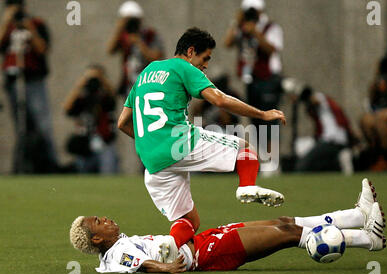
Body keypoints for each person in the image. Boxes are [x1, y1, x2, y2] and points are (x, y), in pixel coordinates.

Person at [117, 27, 286, 238]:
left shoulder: (146, 73)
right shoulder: (183, 68)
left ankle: (167, 254)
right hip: (178, 144)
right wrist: (262, 114)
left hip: (151, 163)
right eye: (205, 58)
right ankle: (246, 186)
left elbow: (123, 122)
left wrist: (152, 140)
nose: (205, 65)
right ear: (190, 51)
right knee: (245, 149)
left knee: (189, 221)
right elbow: (220, 100)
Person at [69, 178, 386, 274]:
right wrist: (165, 269)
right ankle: (367, 239)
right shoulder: (114, 256)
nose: (106, 218)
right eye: (99, 221)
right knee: (288, 235)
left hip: (202, 241)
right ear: (96, 238)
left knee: (283, 222)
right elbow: (140, 265)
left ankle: (357, 215)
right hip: (205, 254)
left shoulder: (112, 250)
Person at [0, 0, 58, 173]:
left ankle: (51, 164)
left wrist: (29, 29)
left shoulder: (36, 23)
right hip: (13, 80)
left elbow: (42, 49)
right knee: (21, 125)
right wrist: (6, 21)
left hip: (33, 79)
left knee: (43, 123)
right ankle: (23, 165)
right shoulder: (7, 27)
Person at [224, 0, 284, 154]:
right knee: (255, 119)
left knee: (270, 121)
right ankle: (263, 158)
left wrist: (256, 32)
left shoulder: (271, 27)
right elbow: (227, 42)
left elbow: (272, 50)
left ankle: (273, 159)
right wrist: (236, 23)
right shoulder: (241, 28)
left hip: (268, 79)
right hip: (251, 79)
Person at [63, 65, 119, 174]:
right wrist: (82, 82)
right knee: (83, 177)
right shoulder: (82, 97)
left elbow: (114, 96)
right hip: (84, 145)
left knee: (108, 176)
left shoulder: (105, 96)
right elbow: (67, 108)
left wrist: (101, 78)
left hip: (105, 143)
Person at [107, 1, 165, 97]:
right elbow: (110, 50)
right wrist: (120, 27)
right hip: (129, 86)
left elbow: (157, 57)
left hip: (149, 84)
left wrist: (139, 43)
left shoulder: (150, 35)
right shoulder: (123, 37)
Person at [295, 86, 357, 172]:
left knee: (302, 165)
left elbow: (315, 100)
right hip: (333, 140)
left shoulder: (320, 98)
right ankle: (341, 156)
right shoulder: (323, 110)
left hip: (332, 140)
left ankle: (343, 155)